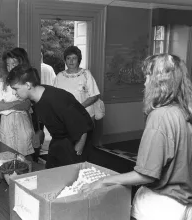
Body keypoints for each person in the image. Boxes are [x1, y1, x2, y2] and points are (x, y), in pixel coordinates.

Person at [81, 54, 192, 220]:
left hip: (160, 206)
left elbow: (147, 174)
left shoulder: (160, 116)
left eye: (148, 76)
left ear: (160, 82)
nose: (145, 82)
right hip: (182, 205)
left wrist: (104, 181)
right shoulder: (184, 112)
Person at [6, 65, 94, 168]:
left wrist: (78, 151)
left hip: (74, 142)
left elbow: (83, 124)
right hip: (57, 141)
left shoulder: (57, 98)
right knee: (50, 173)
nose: (14, 92)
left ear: (28, 85)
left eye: (16, 89)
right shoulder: (35, 98)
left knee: (71, 178)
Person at [0, 49, 34, 158]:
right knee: (8, 155)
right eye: (8, 65)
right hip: (7, 122)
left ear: (21, 64)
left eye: (14, 64)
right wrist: (16, 103)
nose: (10, 68)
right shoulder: (2, 82)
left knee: (26, 155)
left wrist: (7, 105)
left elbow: (26, 105)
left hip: (23, 121)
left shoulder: (28, 81)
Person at [53, 45, 100, 119]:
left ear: (79, 60)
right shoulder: (59, 76)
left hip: (85, 115)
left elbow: (94, 96)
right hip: (66, 116)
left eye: (74, 58)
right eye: (68, 58)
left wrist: (78, 108)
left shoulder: (86, 74)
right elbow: (55, 98)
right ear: (65, 60)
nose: (71, 61)